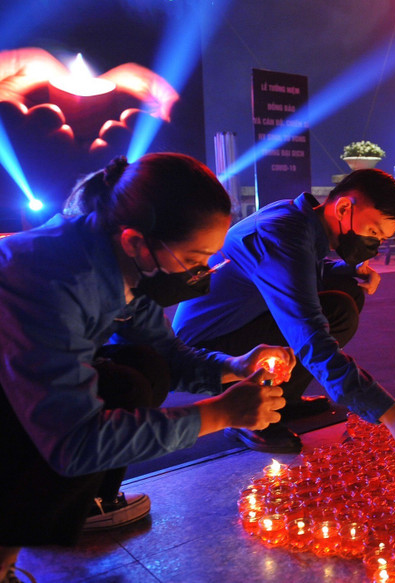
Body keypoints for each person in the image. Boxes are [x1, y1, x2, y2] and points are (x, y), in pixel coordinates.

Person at [0, 154, 293, 582]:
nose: (202, 273)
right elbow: (74, 441)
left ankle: (78, 510)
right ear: (137, 241)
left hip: (26, 383)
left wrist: (235, 365)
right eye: (194, 258)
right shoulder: (54, 281)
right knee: (89, 424)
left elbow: (167, 353)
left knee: (141, 370)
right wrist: (219, 414)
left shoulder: (118, 262)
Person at [173, 168, 395, 459]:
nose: (373, 246)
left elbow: (296, 273)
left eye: (380, 239)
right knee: (333, 312)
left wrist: (347, 269)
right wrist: (393, 416)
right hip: (209, 349)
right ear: (343, 207)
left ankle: (282, 401)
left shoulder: (297, 219)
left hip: (240, 323)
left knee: (346, 293)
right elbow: (310, 337)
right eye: (372, 232)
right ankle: (248, 412)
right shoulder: (283, 233)